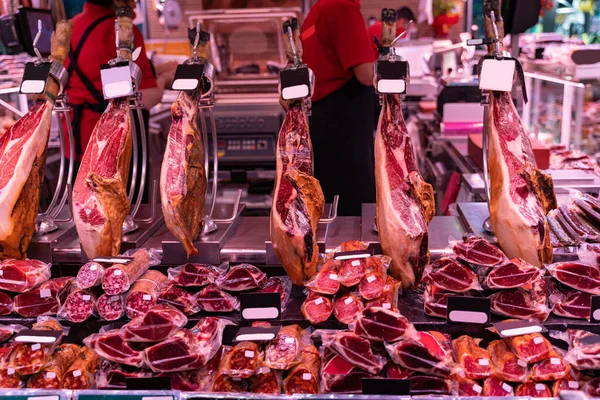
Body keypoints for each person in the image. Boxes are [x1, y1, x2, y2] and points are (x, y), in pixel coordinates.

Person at [63, 0, 176, 163]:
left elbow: (97, 73)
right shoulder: (123, 30)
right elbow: (146, 97)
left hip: (75, 142)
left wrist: (158, 70)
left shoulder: (68, 28)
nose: (135, 5)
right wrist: (165, 79)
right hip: (115, 145)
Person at [301, 0, 376, 216]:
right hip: (344, 129)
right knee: (351, 207)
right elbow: (365, 75)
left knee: (327, 204)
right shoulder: (342, 8)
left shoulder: (318, 9)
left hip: (323, 121)